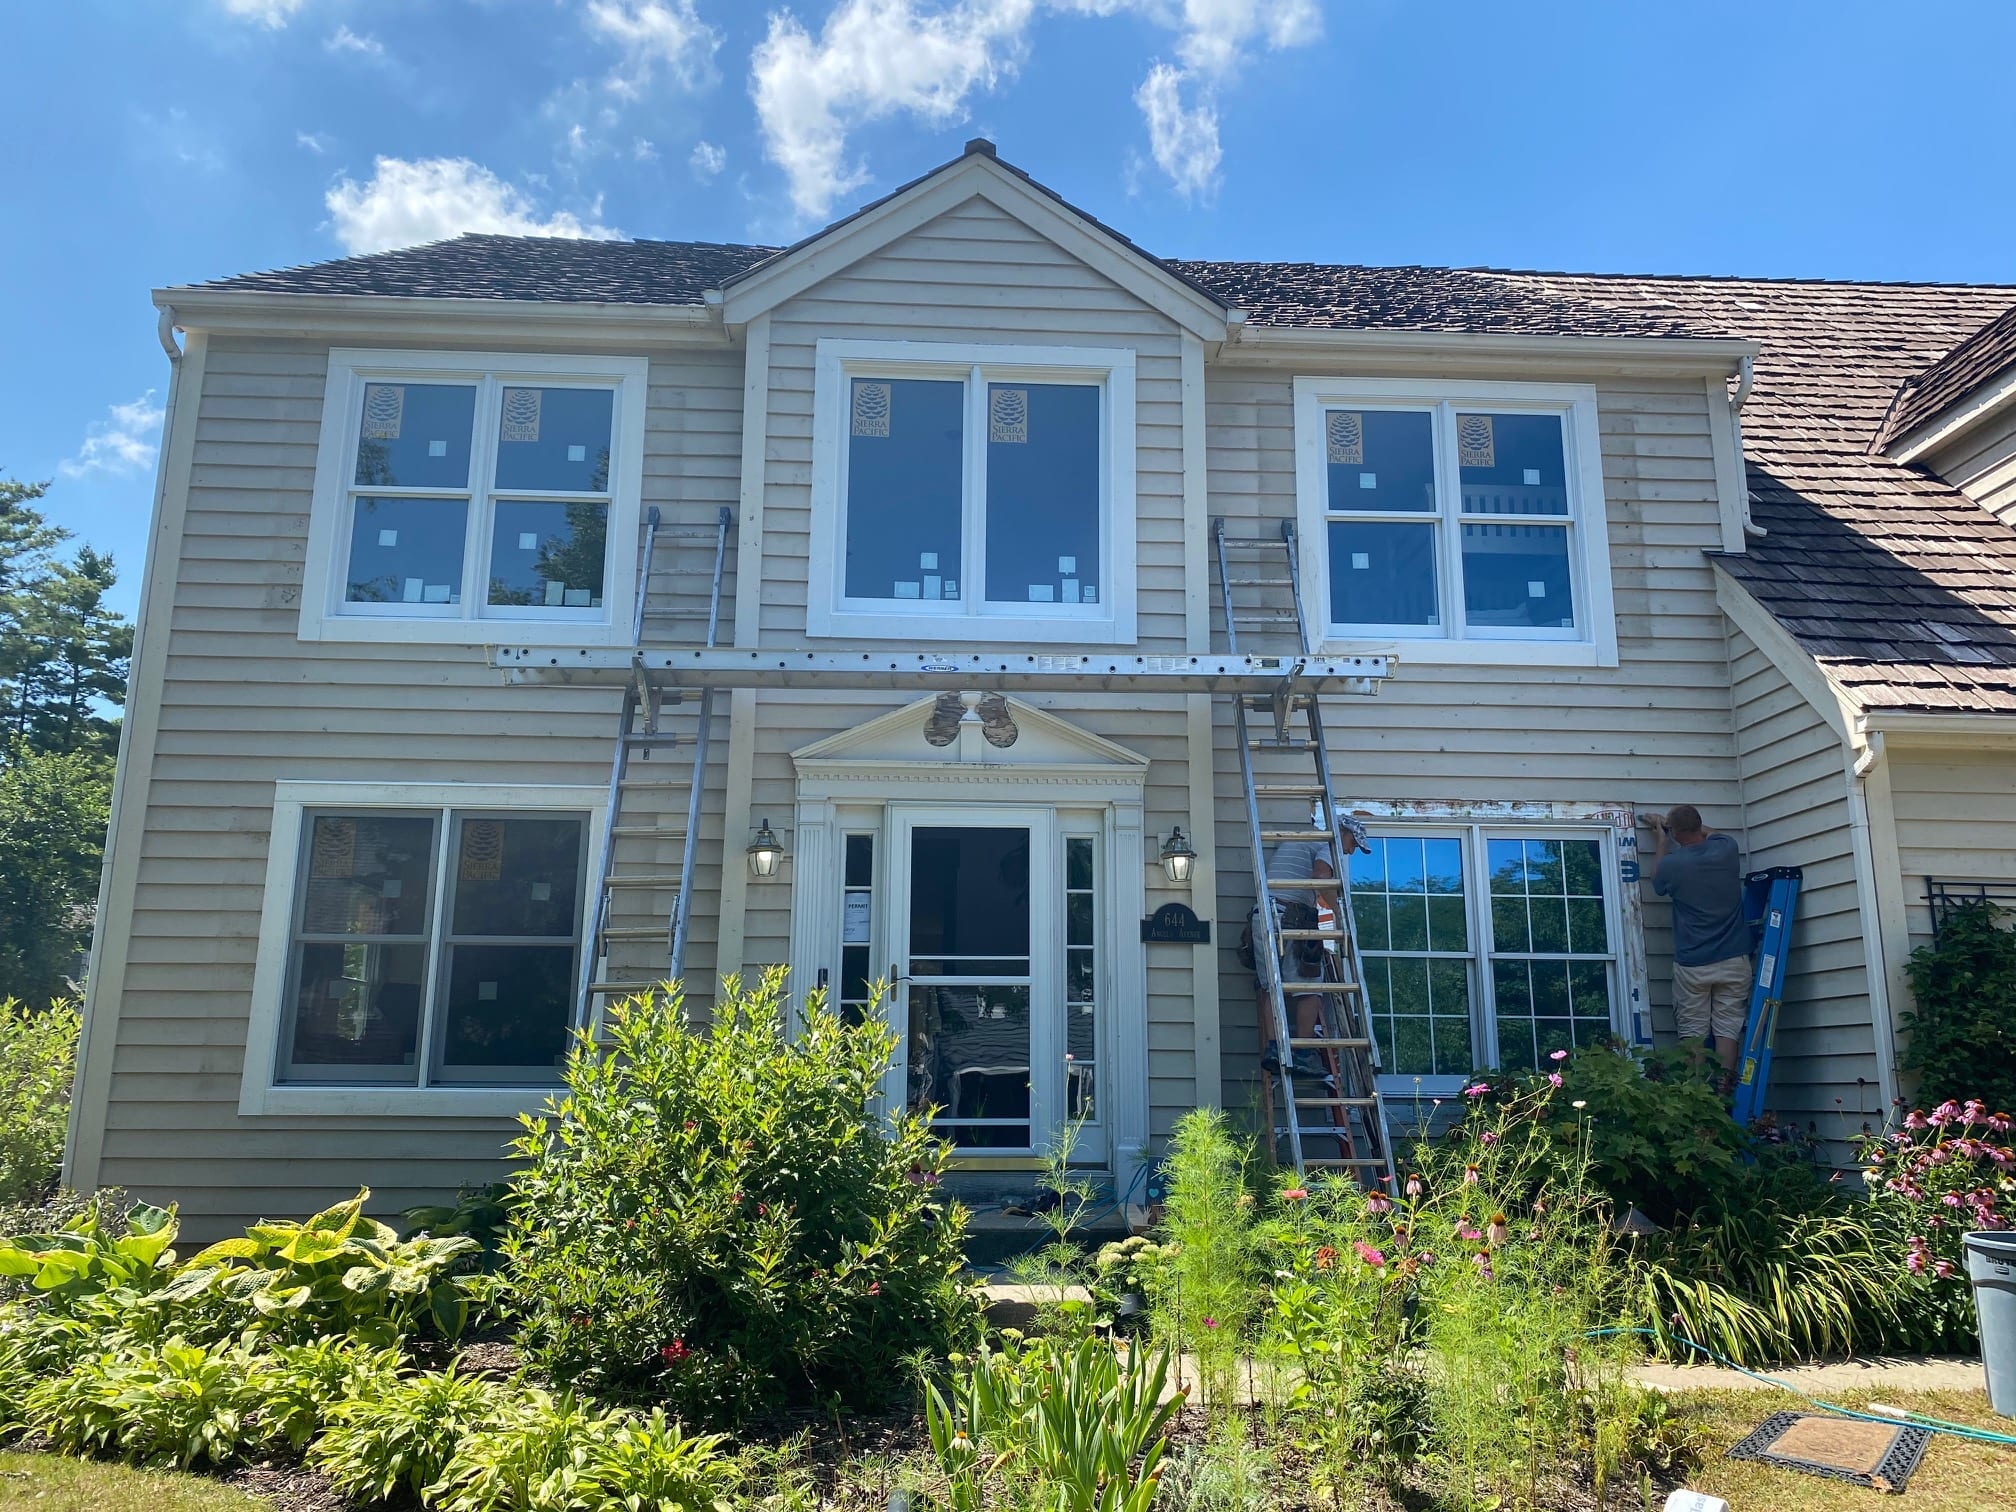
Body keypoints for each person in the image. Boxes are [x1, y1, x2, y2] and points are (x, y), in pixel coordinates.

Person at [1638, 804, 1751, 1089]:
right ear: (1699, 826)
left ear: (1675, 833)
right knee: (1728, 1029)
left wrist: (1661, 839)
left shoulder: (1673, 864)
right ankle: (1723, 1094)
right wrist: (1675, 825)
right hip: (1734, 958)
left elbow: (1656, 880)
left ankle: (1697, 1098)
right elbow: (1711, 833)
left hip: (1693, 964)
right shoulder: (1726, 848)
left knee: (1693, 1033)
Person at [1255, 805, 1369, 1086]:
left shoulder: (1300, 839)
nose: (1350, 851)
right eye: (1353, 843)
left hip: (1263, 916)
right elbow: (1320, 877)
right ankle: (1303, 1053)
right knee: (1310, 988)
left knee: (1272, 986)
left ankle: (1275, 1049)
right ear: (1341, 832)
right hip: (1291, 916)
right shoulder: (1326, 841)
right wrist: (1340, 913)